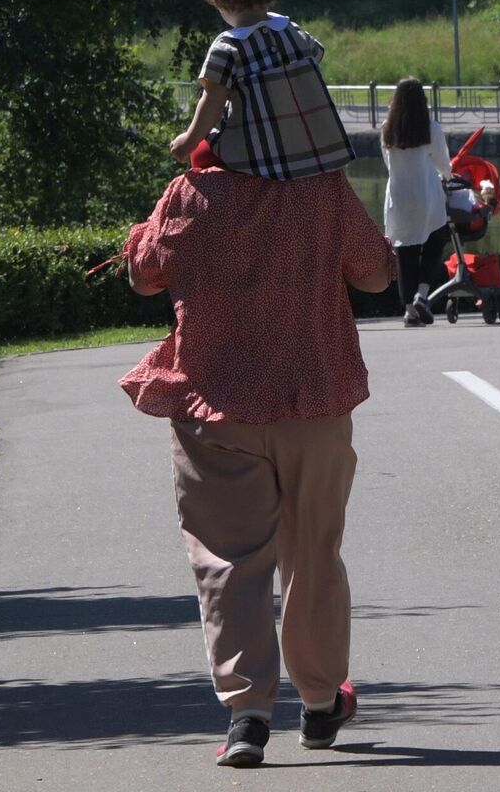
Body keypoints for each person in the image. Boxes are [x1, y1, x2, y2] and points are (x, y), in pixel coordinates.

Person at [119, 164, 395, 767]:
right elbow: (376, 274)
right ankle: (321, 703)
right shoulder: (321, 186)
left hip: (216, 406)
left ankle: (248, 716)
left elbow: (143, 278)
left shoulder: (191, 191)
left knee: (228, 562)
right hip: (314, 398)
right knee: (314, 551)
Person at [168, 0, 354, 180]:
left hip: (259, 157)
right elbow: (316, 56)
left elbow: (213, 101)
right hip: (310, 148)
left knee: (201, 156)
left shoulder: (228, 46)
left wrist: (188, 141)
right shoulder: (292, 30)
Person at [379, 77, 453, 325]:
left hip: (399, 196)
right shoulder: (431, 128)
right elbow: (443, 163)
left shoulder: (387, 128)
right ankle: (422, 294)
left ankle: (409, 310)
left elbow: (388, 164)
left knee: (405, 251)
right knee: (437, 237)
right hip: (426, 195)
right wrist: (447, 175)